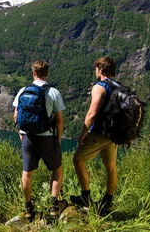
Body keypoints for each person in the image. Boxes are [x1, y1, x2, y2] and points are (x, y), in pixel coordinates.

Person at [12, 60, 67, 221]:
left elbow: (16, 115)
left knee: (27, 174)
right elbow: (59, 120)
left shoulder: (23, 90)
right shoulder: (53, 92)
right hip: (46, 138)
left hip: (27, 138)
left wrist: (21, 133)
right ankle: (54, 207)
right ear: (46, 73)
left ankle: (29, 208)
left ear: (33, 73)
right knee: (57, 170)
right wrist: (57, 138)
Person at [71, 56, 118, 215]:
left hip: (100, 132)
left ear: (101, 69)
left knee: (78, 159)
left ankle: (85, 197)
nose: (95, 71)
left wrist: (83, 133)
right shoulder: (119, 87)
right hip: (114, 135)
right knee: (110, 166)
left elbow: (91, 113)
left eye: (96, 68)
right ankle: (107, 201)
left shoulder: (100, 87)